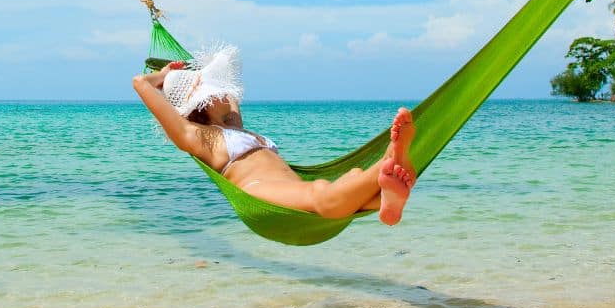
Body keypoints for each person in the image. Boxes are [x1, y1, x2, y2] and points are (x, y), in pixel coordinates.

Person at [132, 46, 416, 225]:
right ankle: (389, 161)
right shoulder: (197, 137)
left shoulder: (234, 126)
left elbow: (231, 87)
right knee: (321, 195)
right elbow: (140, 83)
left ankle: (386, 195)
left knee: (351, 177)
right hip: (258, 192)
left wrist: (192, 71)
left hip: (291, 187)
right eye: (211, 89)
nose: (221, 92)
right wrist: (165, 76)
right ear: (201, 104)